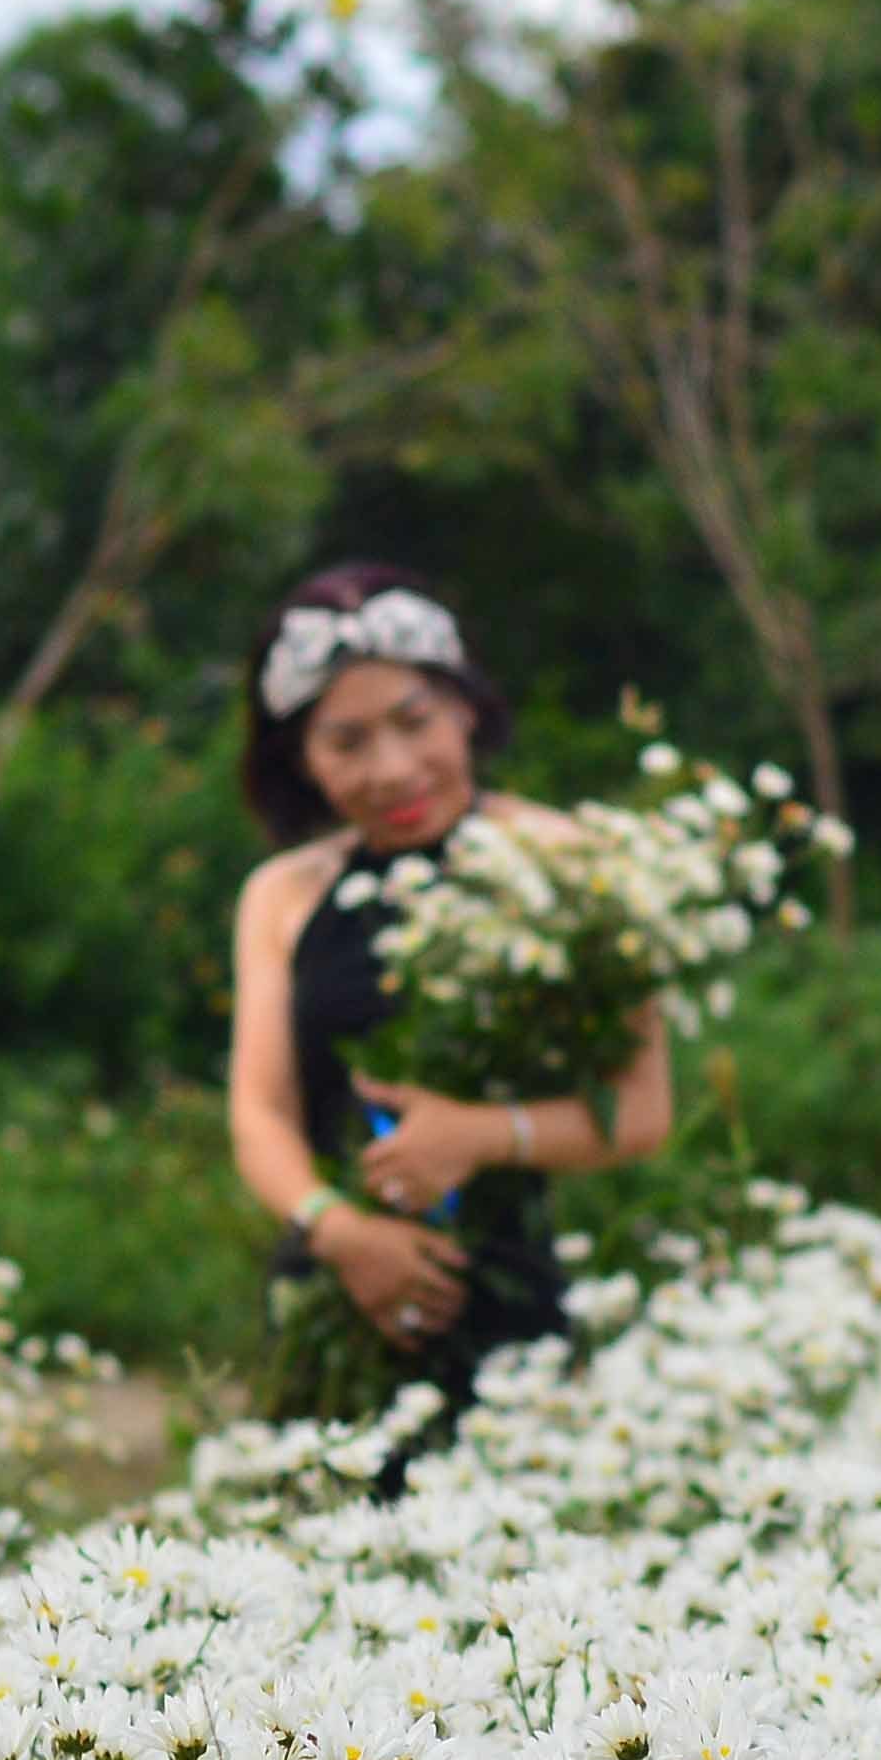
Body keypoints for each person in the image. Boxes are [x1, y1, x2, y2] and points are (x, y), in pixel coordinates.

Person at [221, 565, 675, 1397]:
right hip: (334, 1286)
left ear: (465, 707)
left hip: (508, 1295)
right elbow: (260, 1114)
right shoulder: (283, 895)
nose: (392, 770)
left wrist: (479, 1134)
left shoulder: (574, 865)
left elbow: (642, 1112)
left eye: (413, 721)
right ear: (304, 762)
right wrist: (342, 1232)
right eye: (347, 742)